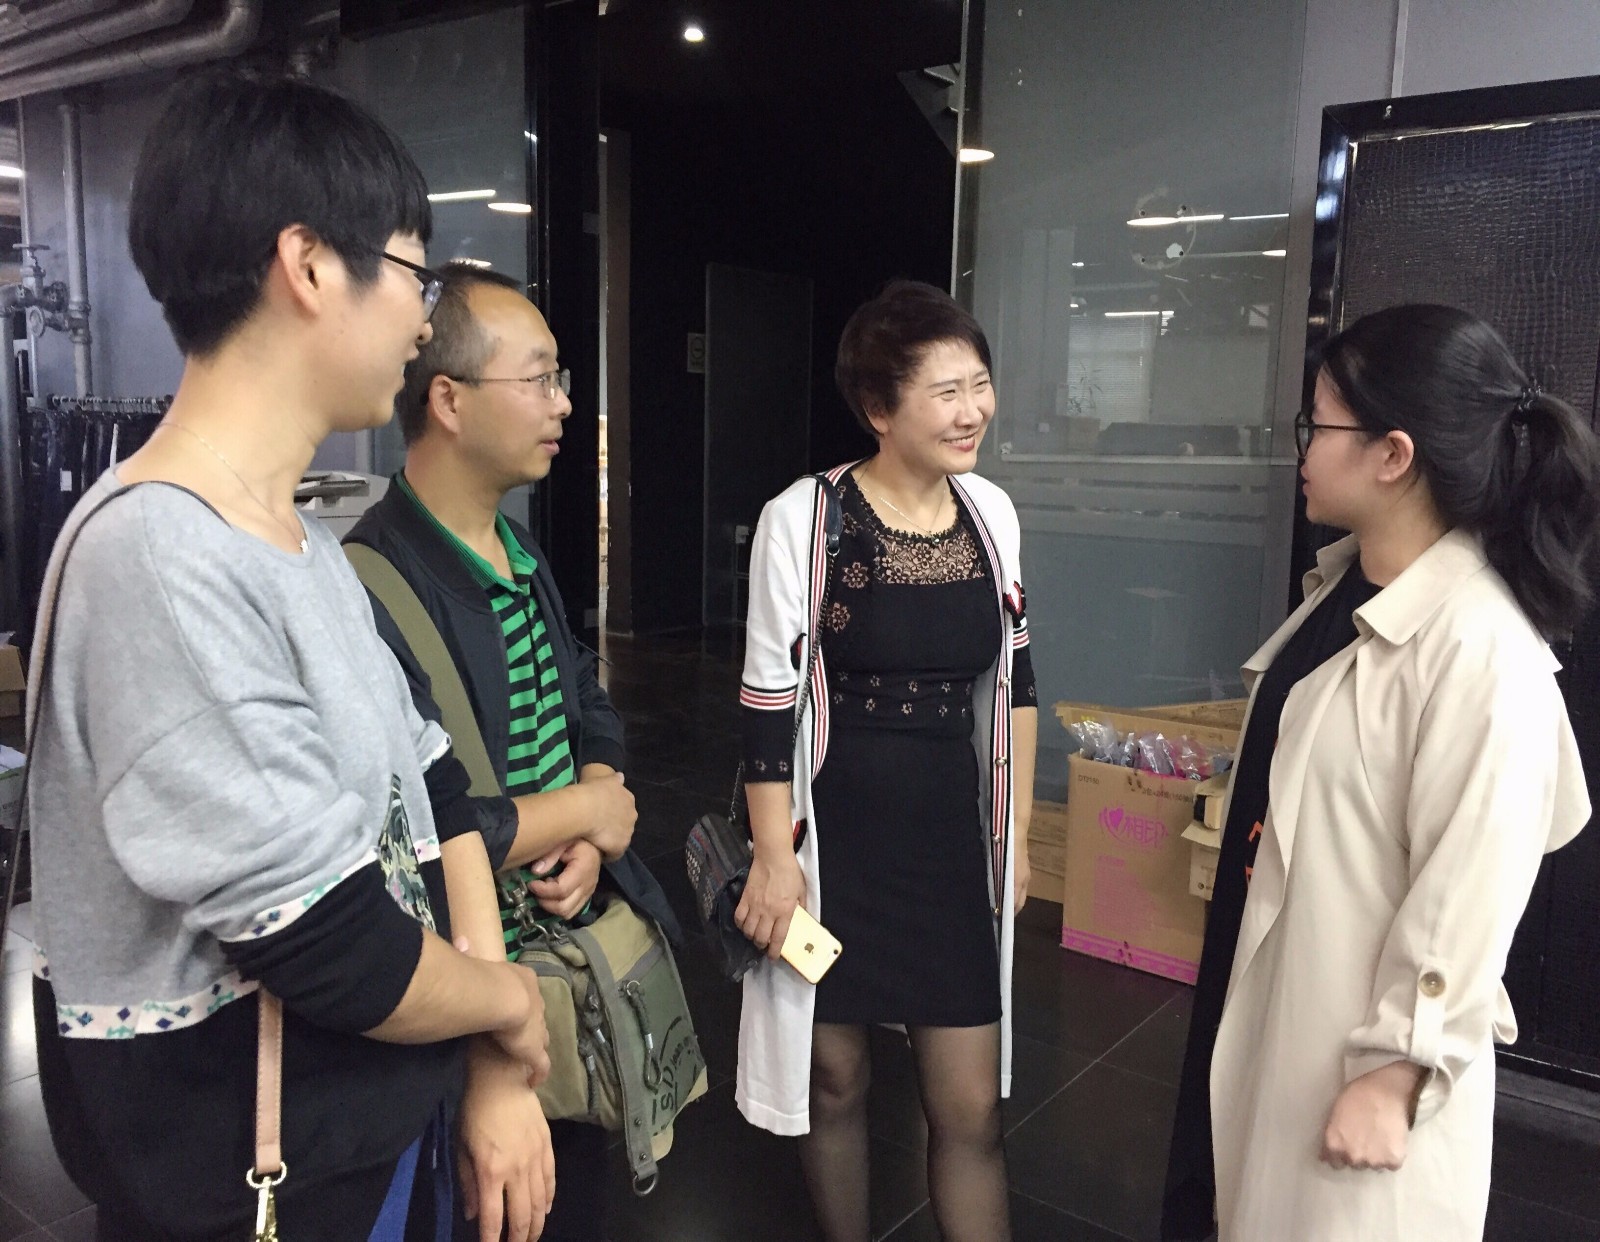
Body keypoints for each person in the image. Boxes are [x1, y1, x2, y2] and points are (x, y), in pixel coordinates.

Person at [26, 70, 559, 1240]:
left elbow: (433, 790)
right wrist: (510, 1002)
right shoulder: (160, 556)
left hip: (367, 1131)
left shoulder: (299, 540)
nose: (421, 320)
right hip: (261, 1179)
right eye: (414, 274)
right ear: (310, 265)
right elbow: (328, 942)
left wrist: (488, 1056)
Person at [1185, 304, 1596, 1241]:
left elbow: (1473, 882)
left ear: (1393, 455)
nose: (1301, 447)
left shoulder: (1482, 649)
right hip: (1286, 995)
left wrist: (1398, 1067)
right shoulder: (1348, 586)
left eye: (1318, 424)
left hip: (1357, 1055)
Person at [347, 262, 678, 1242]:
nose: (564, 404)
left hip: (556, 966)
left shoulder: (518, 552)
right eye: (538, 378)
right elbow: (422, 824)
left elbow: (584, 691)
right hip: (459, 992)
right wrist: (588, 813)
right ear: (447, 400)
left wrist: (597, 795)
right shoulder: (372, 585)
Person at [733, 280, 1038, 1242]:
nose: (973, 410)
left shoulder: (990, 513)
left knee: (969, 1107)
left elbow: (1018, 684)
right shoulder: (807, 518)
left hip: (948, 839)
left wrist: (1020, 839)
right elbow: (766, 704)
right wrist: (774, 857)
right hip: (835, 841)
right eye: (946, 392)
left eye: (979, 384)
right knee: (836, 1077)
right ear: (879, 408)